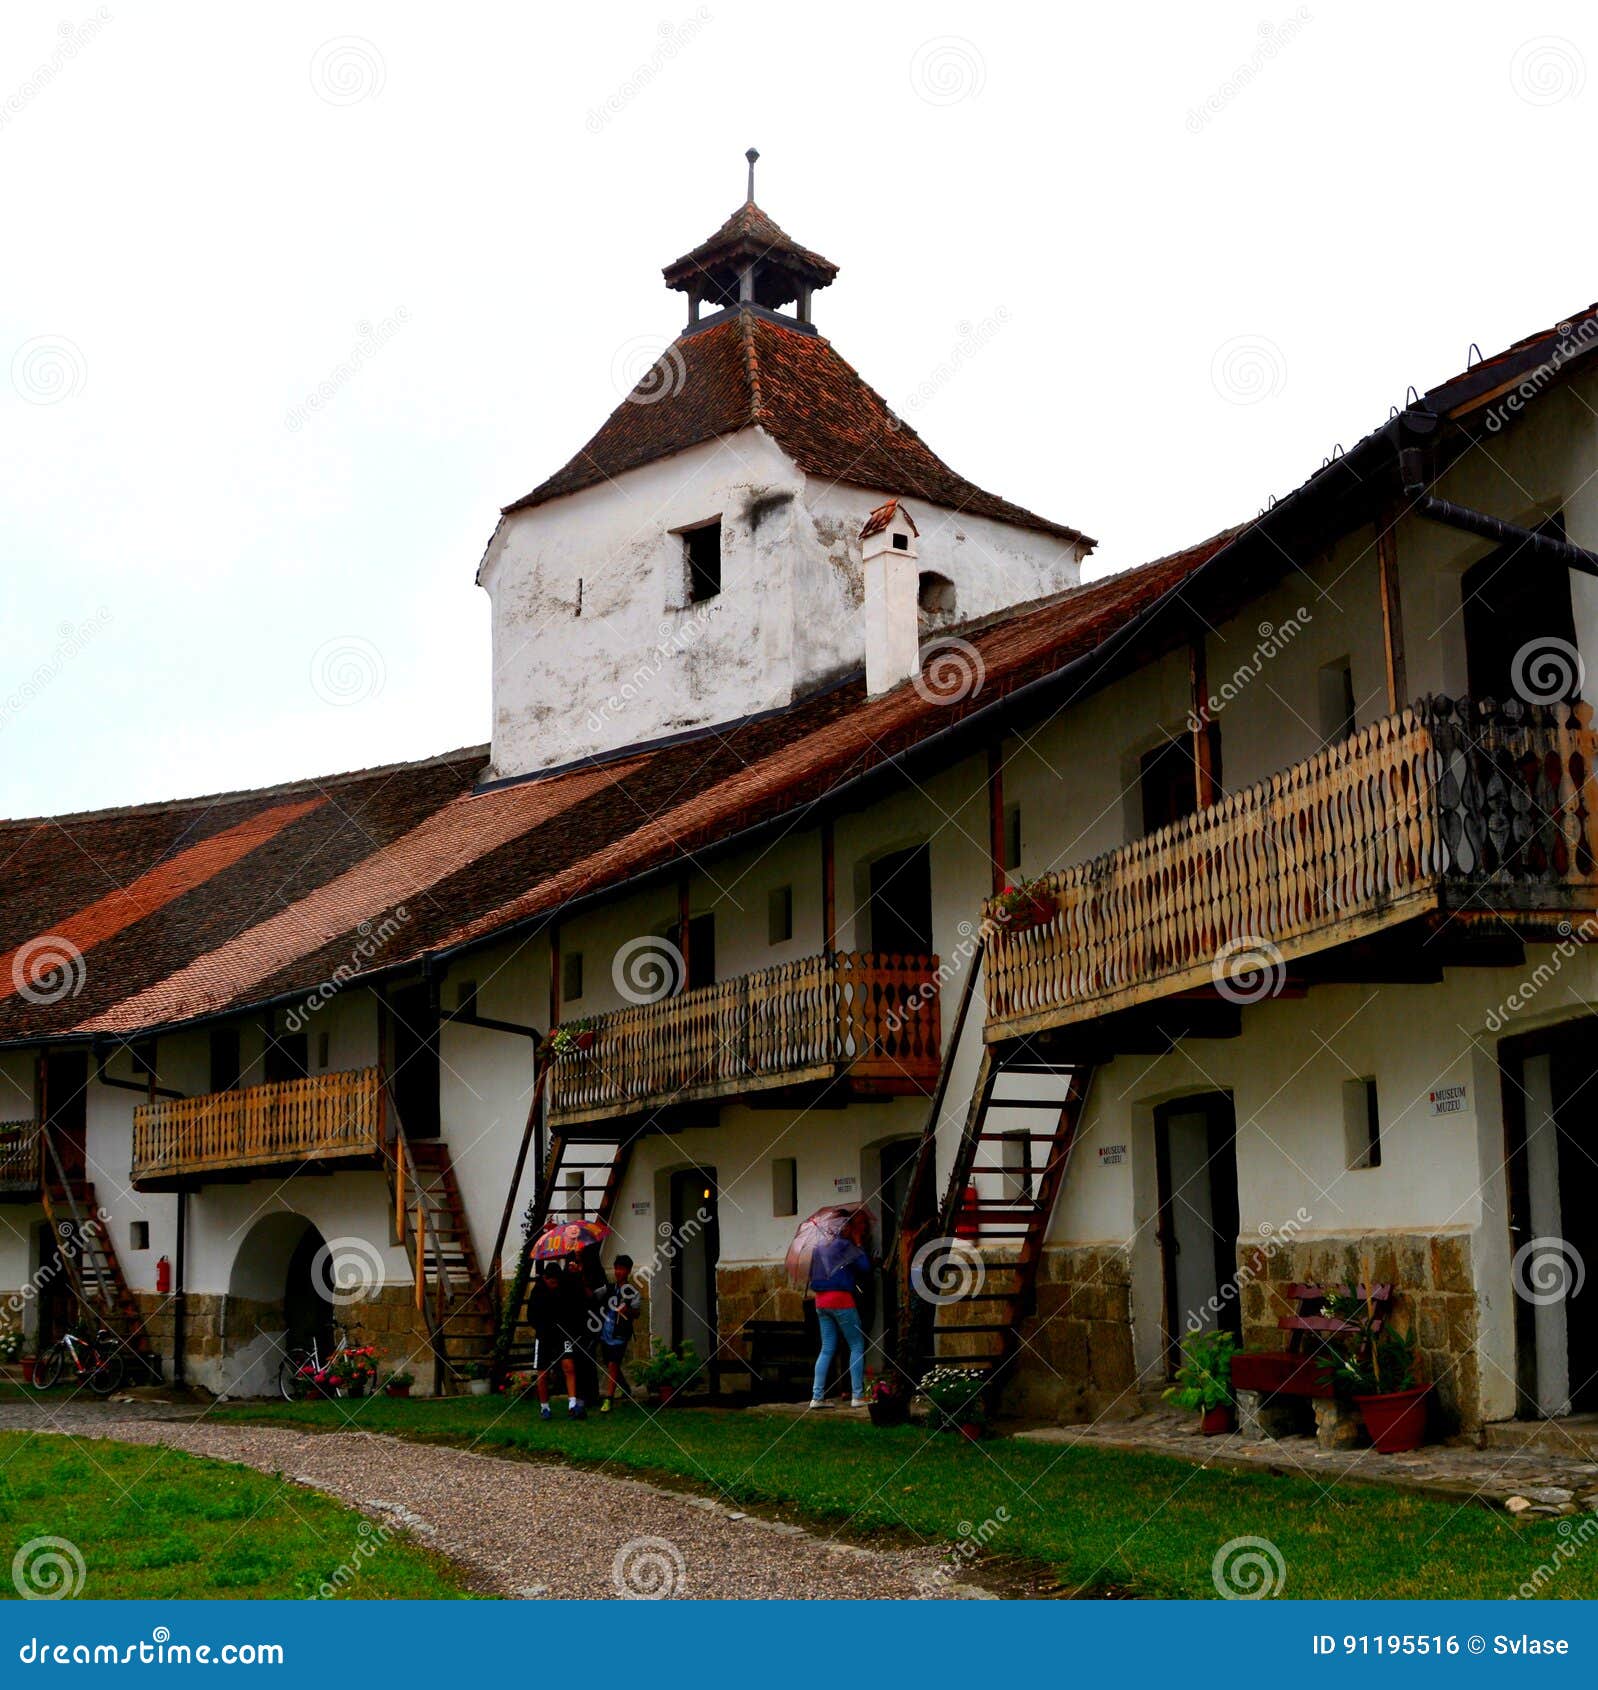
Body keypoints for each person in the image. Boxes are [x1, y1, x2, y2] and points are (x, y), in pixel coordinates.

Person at [808, 1232, 871, 1408]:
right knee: (856, 1345)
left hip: (820, 1300)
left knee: (827, 1348)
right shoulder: (845, 1245)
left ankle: (817, 1397)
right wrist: (858, 1245)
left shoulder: (818, 1247)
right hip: (841, 1299)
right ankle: (857, 1396)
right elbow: (865, 1266)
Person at [527, 1259, 586, 1419]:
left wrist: (576, 1274)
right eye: (552, 1282)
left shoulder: (565, 1285)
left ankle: (572, 1404)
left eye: (557, 1282)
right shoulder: (538, 1292)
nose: (555, 1284)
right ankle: (544, 1407)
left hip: (562, 1333)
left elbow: (577, 1299)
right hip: (544, 1334)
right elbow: (531, 1316)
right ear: (545, 1279)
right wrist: (542, 1328)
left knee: (569, 1365)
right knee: (543, 1372)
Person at [595, 1255, 639, 1413]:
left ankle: (608, 1399)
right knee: (610, 1364)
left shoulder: (632, 1292)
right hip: (605, 1333)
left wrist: (627, 1310)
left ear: (628, 1271)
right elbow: (593, 1295)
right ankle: (625, 1387)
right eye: (617, 1268)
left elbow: (637, 1312)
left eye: (622, 1269)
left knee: (613, 1365)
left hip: (620, 1335)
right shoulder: (609, 1288)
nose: (618, 1272)